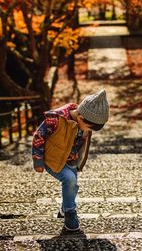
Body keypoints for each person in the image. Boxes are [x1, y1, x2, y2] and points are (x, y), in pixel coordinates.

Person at [32, 89, 109, 232]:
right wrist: (38, 160)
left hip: (71, 161)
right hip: (52, 159)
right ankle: (70, 213)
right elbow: (39, 136)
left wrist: (80, 160)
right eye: (89, 127)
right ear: (80, 116)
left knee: (72, 186)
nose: (88, 130)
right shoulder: (56, 119)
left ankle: (64, 208)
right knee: (70, 180)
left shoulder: (85, 123)